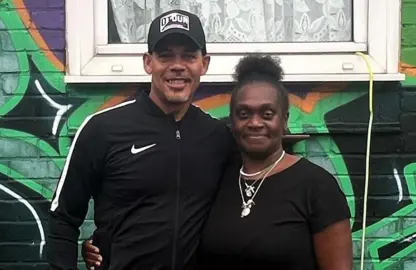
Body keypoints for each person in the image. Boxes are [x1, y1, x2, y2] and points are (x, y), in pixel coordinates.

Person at [83, 54, 353, 269]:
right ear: (232, 122)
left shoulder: (316, 187)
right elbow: (173, 224)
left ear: (283, 120)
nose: (255, 123)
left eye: (267, 113)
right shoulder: (218, 180)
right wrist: (106, 243)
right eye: (244, 113)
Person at [45, 9, 234, 270]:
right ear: (148, 62)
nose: (177, 66)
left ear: (204, 63)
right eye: (165, 56)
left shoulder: (218, 138)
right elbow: (63, 218)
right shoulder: (102, 129)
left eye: (189, 56)